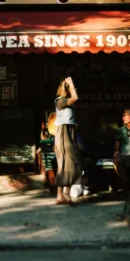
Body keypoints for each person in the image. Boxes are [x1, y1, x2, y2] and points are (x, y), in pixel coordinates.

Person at [53, 76, 82, 205]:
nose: (71, 88)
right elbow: (75, 98)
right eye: (69, 87)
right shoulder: (60, 101)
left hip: (70, 132)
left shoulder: (66, 102)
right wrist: (70, 83)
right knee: (65, 163)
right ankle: (62, 195)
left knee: (72, 163)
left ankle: (63, 194)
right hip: (63, 133)